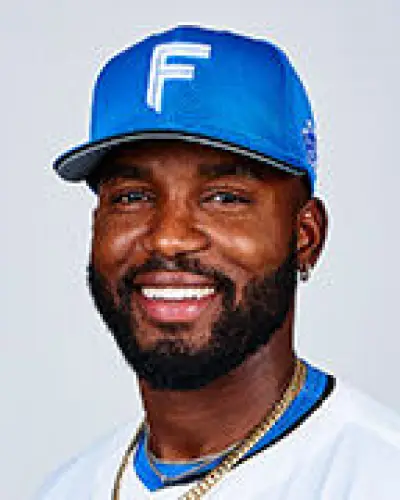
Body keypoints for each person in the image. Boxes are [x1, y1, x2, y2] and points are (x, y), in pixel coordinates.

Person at [37, 25, 400, 499]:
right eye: (131, 197)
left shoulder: (380, 475)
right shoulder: (65, 489)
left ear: (306, 236)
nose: (168, 238)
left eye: (224, 198)